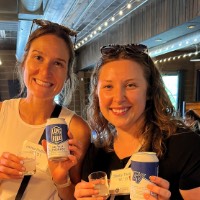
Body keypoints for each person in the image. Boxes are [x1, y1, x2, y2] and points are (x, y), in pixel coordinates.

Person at [74, 44, 200, 200]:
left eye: (130, 85)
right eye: (108, 86)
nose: (119, 98)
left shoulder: (185, 146)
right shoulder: (96, 152)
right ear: (97, 94)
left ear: (149, 91)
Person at [0, 19, 91, 200]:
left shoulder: (77, 129)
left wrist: (61, 179)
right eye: (38, 57)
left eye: (58, 63)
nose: (45, 71)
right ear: (24, 62)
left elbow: (76, 197)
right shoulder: (2, 113)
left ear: (66, 75)